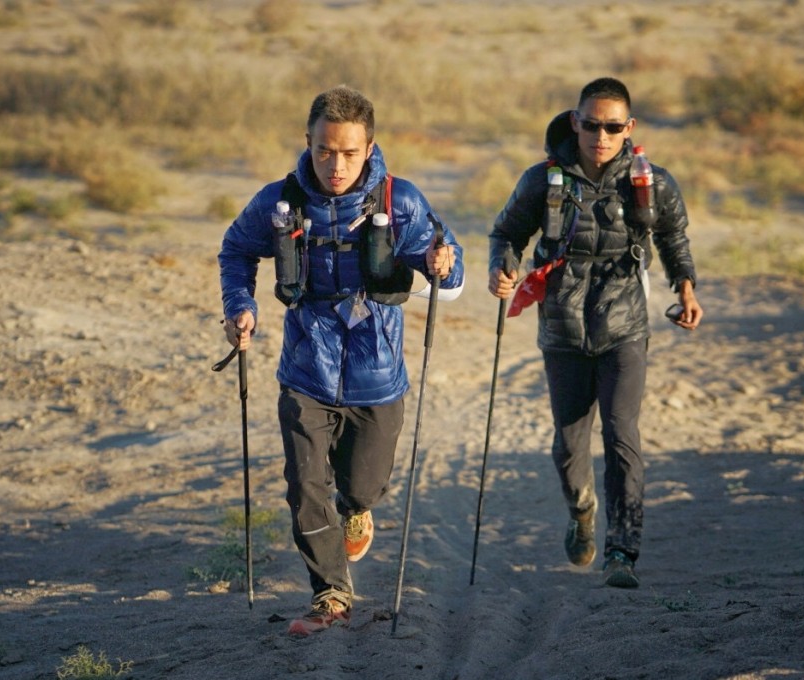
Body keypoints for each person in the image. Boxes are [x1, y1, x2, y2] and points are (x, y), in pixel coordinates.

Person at [218, 85, 464, 635]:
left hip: (378, 375)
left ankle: (358, 508)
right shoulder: (279, 201)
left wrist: (440, 262)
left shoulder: (400, 200)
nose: (336, 165)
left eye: (350, 153)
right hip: (305, 367)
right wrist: (241, 306)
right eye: (325, 150)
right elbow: (235, 249)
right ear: (308, 142)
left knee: (363, 485)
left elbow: (451, 265)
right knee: (305, 485)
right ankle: (331, 594)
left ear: (370, 146)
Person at [487, 77, 702, 588]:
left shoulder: (652, 182)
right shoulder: (543, 181)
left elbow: (674, 237)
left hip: (625, 322)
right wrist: (503, 265)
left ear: (628, 128)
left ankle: (622, 553)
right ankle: (582, 510)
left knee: (622, 434)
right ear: (574, 122)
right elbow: (506, 232)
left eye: (611, 127)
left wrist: (686, 288)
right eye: (590, 125)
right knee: (568, 444)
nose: (600, 136)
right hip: (562, 324)